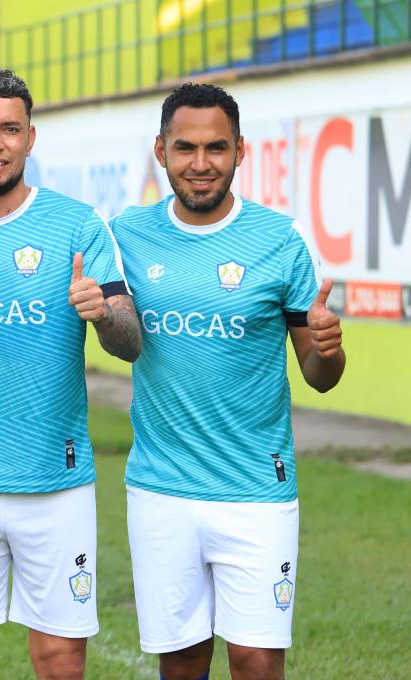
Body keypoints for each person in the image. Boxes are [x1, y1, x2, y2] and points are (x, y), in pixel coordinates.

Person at [111, 83, 344, 680]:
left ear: (240, 150)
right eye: (184, 148)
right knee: (182, 661)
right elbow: (32, 225)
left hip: (257, 489)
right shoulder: (125, 235)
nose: (201, 163)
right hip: (161, 489)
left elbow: (320, 378)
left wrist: (327, 349)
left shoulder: (281, 240)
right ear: (160, 151)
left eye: (216, 147)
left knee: (257, 660)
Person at [0, 69, 142, 680]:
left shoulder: (77, 224)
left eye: (10, 129)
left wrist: (104, 314)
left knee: (61, 657)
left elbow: (129, 341)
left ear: (30, 138)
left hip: (57, 483)